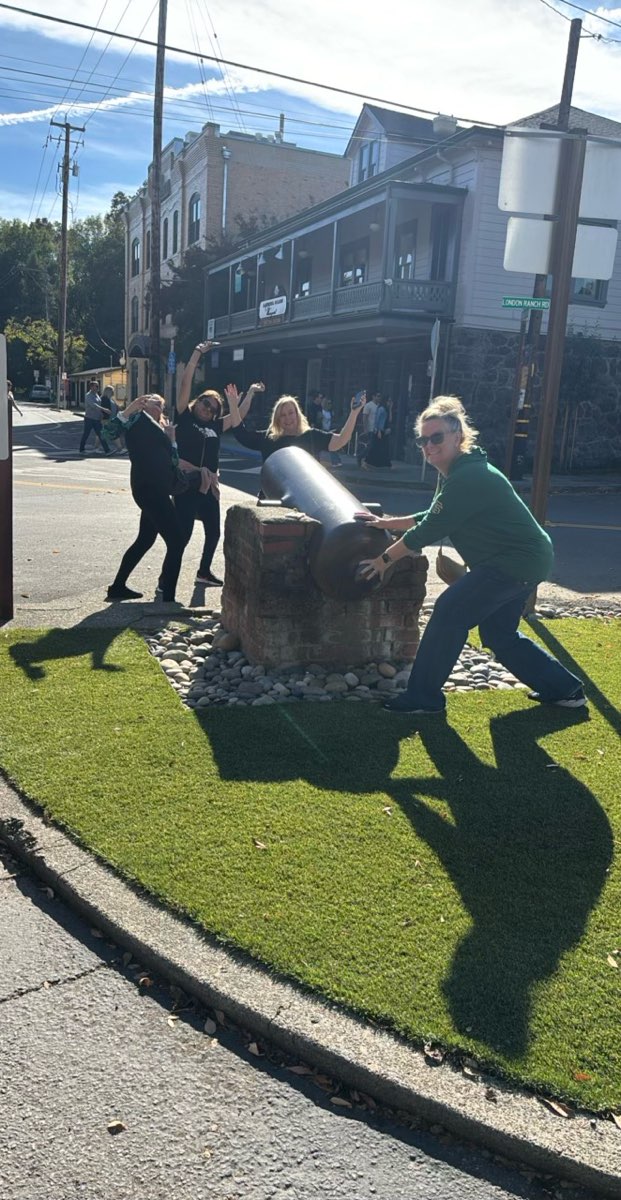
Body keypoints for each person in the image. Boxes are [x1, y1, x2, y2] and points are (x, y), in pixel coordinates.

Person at [359, 395, 587, 715]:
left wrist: (382, 562)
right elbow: (434, 513)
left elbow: (427, 531)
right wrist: (388, 522)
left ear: (458, 436)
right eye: (423, 439)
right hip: (525, 560)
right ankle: (566, 690)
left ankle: (423, 697)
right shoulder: (458, 472)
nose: (429, 445)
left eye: (436, 437)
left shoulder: (468, 476)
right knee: (498, 633)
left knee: (450, 609)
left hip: (512, 562)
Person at [174, 341, 263, 586]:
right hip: (187, 482)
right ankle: (167, 578)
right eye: (205, 404)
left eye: (213, 409)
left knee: (213, 532)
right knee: (183, 535)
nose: (208, 410)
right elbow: (184, 383)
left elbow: (238, 417)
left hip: (209, 484)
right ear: (198, 401)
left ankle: (203, 572)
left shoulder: (215, 425)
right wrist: (197, 353)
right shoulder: (183, 416)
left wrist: (251, 392)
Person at [103, 394, 189, 604]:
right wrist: (129, 408)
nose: (159, 404)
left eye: (162, 403)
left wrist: (172, 440)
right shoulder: (136, 420)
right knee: (177, 541)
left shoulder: (161, 427)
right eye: (154, 401)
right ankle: (168, 598)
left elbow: (174, 463)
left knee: (145, 540)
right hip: (149, 489)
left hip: (158, 489)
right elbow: (108, 433)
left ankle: (117, 587)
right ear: (144, 403)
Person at [227, 392, 366, 481]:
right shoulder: (269, 438)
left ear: (297, 414)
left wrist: (354, 413)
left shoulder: (311, 436)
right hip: (273, 497)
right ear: (277, 419)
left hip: (306, 498)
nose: (288, 418)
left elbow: (341, 440)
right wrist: (233, 406)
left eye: (291, 413)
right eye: (283, 415)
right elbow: (242, 435)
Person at [79, 380, 110, 455]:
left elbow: (98, 405)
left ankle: (107, 451)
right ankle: (81, 449)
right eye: (96, 386)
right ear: (92, 387)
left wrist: (101, 414)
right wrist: (104, 409)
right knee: (86, 434)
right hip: (89, 418)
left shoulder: (96, 395)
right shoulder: (88, 395)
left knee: (101, 434)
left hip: (96, 419)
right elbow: (94, 405)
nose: (97, 387)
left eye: (98, 386)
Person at [364, 396, 392, 468]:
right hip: (380, 430)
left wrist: (390, 409)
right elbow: (377, 420)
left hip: (384, 430)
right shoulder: (381, 409)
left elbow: (390, 420)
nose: (390, 403)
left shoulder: (387, 409)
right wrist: (378, 430)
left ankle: (382, 463)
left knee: (383, 447)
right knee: (375, 446)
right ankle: (368, 461)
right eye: (389, 401)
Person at [319, 394, 342, 467]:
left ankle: (336, 461)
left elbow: (333, 421)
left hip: (329, 430)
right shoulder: (322, 411)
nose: (330, 405)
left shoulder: (331, 412)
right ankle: (335, 461)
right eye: (328, 403)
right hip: (323, 430)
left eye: (330, 403)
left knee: (331, 446)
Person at [356, 390, 377, 467]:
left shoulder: (378, 406)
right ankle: (360, 456)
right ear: (373, 396)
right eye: (377, 396)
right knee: (370, 446)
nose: (379, 398)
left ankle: (369, 461)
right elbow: (364, 417)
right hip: (370, 428)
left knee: (374, 446)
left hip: (376, 429)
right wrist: (365, 429)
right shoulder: (368, 405)